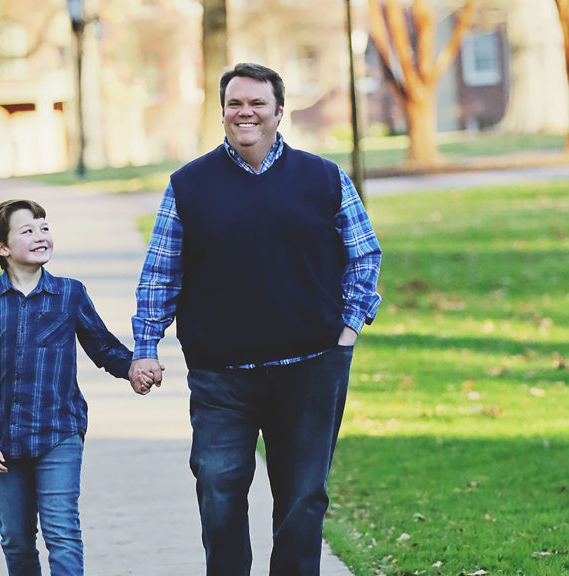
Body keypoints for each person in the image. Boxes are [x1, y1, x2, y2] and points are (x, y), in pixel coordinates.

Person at [129, 63, 382, 575]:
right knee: (219, 492)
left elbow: (365, 256)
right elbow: (160, 273)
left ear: (279, 112)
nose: (245, 112)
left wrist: (347, 331)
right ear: (222, 112)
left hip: (312, 368)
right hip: (221, 375)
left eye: (257, 103)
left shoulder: (324, 178)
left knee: (303, 501)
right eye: (235, 103)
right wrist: (145, 346)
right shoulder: (189, 186)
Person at [0, 199, 151, 576]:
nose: (41, 236)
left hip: (60, 431)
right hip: (7, 439)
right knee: (15, 538)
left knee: (62, 532)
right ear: (1, 247)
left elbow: (103, 346)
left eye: (44, 227)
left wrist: (134, 367)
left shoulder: (70, 293)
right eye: (28, 230)